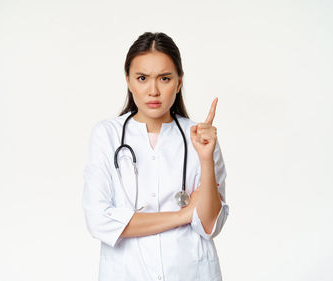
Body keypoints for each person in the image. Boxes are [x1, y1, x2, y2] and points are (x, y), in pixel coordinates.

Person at [82, 32, 229, 281]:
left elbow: (209, 225)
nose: (153, 90)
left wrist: (205, 158)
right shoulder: (107, 135)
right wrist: (182, 216)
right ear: (128, 81)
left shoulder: (201, 138)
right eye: (142, 78)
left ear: (179, 82)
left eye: (164, 78)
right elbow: (98, 220)